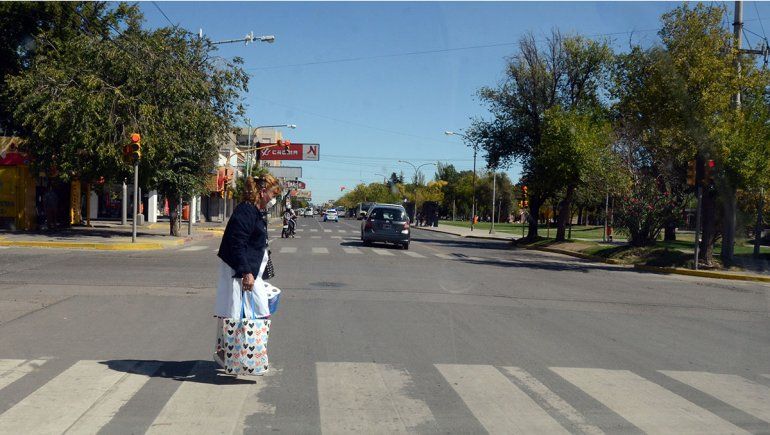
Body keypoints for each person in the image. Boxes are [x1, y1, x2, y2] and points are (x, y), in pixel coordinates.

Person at [213, 174, 282, 370]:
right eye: (272, 194)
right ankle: (238, 356)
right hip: (241, 272)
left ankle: (238, 355)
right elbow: (237, 243)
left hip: (250, 271)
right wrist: (246, 272)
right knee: (246, 313)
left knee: (251, 312)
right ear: (262, 192)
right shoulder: (246, 211)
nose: (273, 198)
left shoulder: (255, 211)